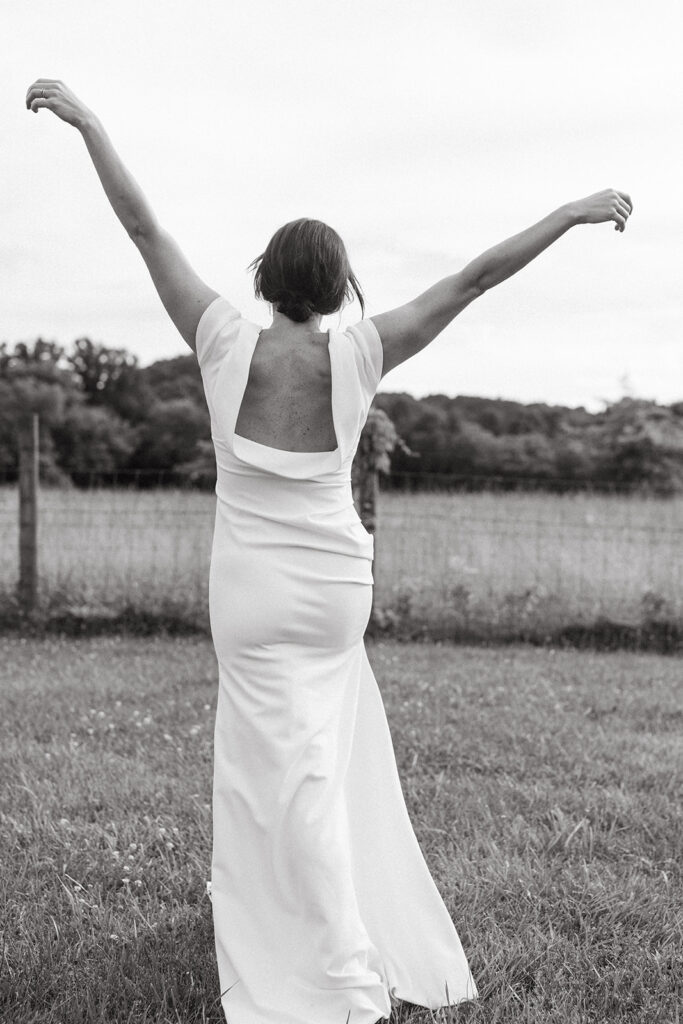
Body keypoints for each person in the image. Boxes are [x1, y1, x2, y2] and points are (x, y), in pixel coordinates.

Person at [26, 79, 632, 1024]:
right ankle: (302, 913)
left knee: (269, 766)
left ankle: (310, 943)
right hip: (333, 589)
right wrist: (566, 212)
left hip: (252, 592)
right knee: (319, 756)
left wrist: (91, 125)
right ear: (339, 287)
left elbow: (144, 230)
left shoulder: (221, 337)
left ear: (264, 278)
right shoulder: (361, 353)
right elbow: (472, 280)